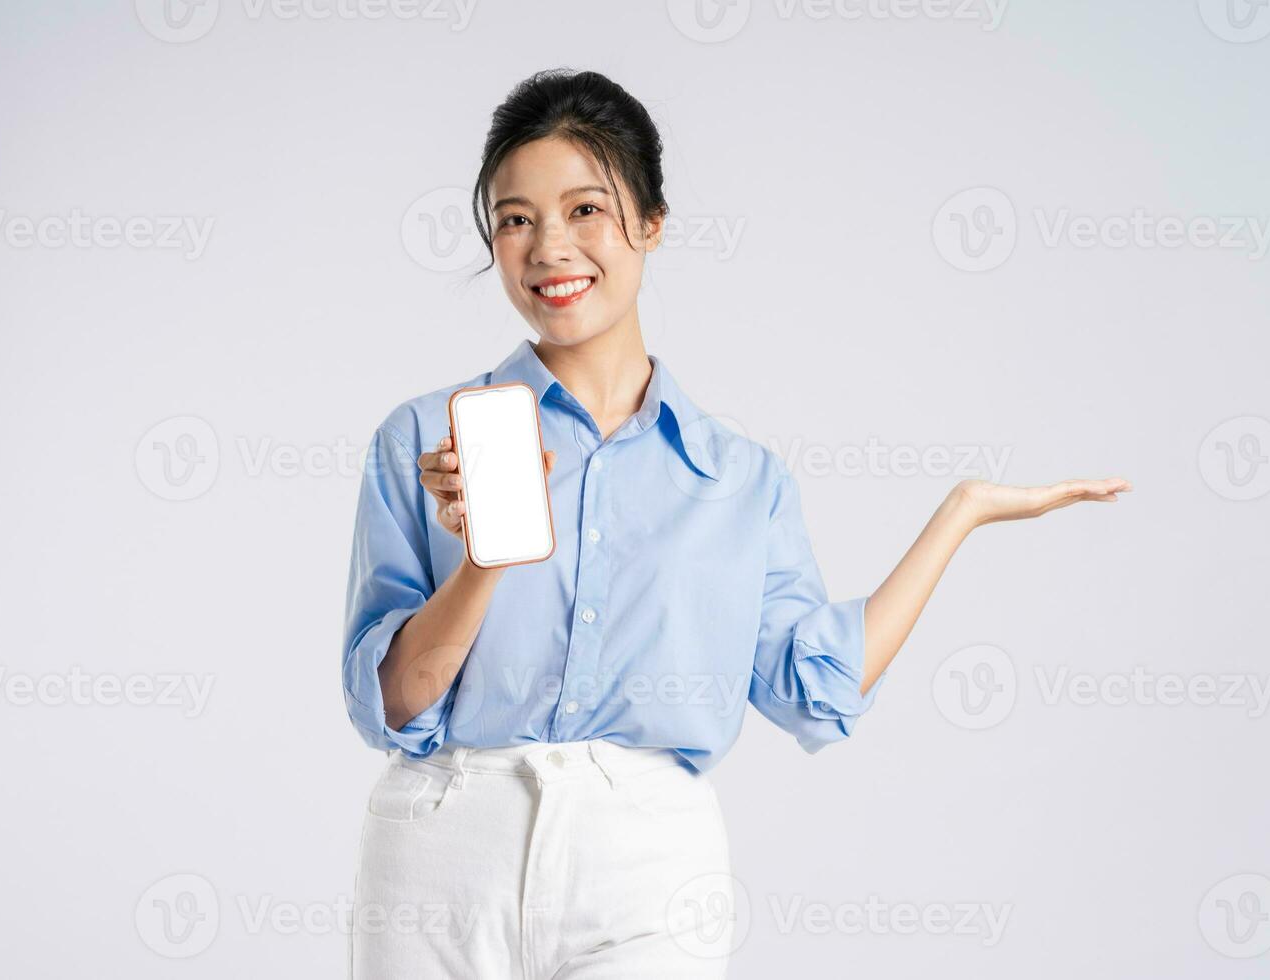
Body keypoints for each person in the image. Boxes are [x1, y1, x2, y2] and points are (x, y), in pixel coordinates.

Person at [341, 68, 1131, 979]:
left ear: (650, 223)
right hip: (443, 853)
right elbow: (393, 704)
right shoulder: (424, 438)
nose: (550, 247)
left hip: (647, 866)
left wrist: (961, 515)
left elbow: (812, 688)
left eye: (586, 209)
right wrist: (484, 559)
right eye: (516, 219)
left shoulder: (738, 479)